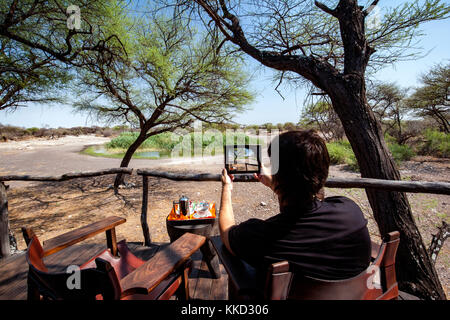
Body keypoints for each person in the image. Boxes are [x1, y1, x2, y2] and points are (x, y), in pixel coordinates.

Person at [219, 130, 371, 280]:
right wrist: (276, 184)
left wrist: (227, 188)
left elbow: (226, 232)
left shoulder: (261, 235)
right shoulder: (349, 210)